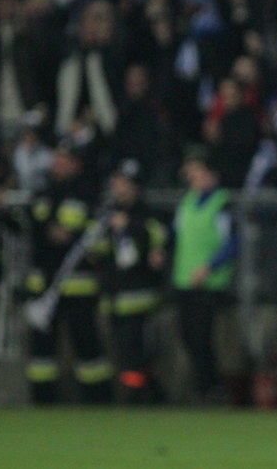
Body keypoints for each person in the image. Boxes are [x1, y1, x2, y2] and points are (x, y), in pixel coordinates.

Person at [24, 140, 113, 404]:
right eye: (57, 158)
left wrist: (67, 233)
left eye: (64, 159)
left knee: (87, 346)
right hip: (44, 283)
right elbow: (37, 230)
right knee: (41, 350)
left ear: (77, 164)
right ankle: (42, 399)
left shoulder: (89, 192)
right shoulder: (45, 191)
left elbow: (94, 237)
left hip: (78, 285)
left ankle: (98, 400)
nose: (57, 164)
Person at [90, 158, 168, 404]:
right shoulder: (106, 215)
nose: (117, 187)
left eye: (122, 182)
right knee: (124, 350)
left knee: (136, 349)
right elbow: (98, 251)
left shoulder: (147, 215)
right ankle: (145, 391)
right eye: (115, 182)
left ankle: (139, 395)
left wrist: (131, 227)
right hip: (113, 294)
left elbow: (157, 244)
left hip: (139, 294)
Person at [170, 148, 238, 404]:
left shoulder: (221, 203)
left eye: (197, 172)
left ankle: (211, 388)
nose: (192, 178)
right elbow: (176, 235)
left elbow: (232, 243)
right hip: (184, 280)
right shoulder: (187, 201)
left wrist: (210, 266)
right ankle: (203, 387)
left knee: (202, 338)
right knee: (188, 337)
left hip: (208, 283)